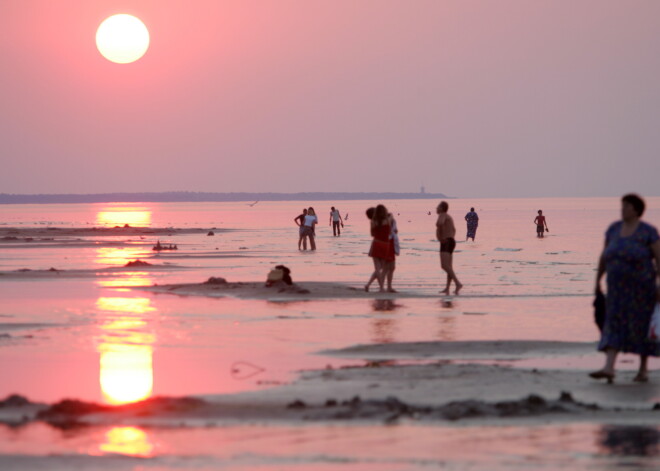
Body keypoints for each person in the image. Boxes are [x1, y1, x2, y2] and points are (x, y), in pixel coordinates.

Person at [591, 194, 660, 383]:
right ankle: (609, 367)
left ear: (636, 210)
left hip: (642, 290)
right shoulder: (613, 229)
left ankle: (643, 369)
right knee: (613, 323)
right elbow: (604, 256)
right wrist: (597, 280)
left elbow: (659, 259)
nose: (622, 209)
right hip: (616, 289)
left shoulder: (648, 231)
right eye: (622, 206)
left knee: (641, 326)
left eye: (626, 206)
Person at [365, 205, 396, 292]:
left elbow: (372, 234)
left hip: (376, 243)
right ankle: (380, 287)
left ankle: (381, 287)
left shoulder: (373, 222)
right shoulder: (388, 220)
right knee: (382, 267)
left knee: (377, 268)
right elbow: (390, 231)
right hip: (385, 245)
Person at [436, 201, 462, 295]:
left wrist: (441, 236)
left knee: (444, 265)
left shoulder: (443, 215)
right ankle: (447, 288)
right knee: (449, 267)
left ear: (442, 208)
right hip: (450, 241)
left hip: (446, 242)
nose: (436, 208)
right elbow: (454, 230)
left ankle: (458, 283)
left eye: (437, 207)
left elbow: (440, 223)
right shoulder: (448, 217)